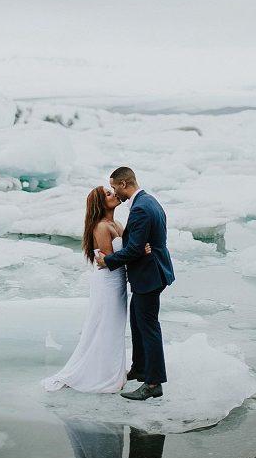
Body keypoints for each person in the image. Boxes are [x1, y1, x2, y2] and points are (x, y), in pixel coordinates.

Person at [41, 185, 151, 393]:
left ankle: (113, 372)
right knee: (106, 326)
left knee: (115, 327)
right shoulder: (101, 227)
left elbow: (124, 253)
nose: (114, 194)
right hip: (107, 283)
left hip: (118, 282)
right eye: (108, 194)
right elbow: (109, 261)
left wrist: (137, 251)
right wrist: (138, 253)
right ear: (100, 203)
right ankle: (103, 376)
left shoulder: (117, 223)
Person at [96, 167, 175, 401]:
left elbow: (132, 249)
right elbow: (140, 245)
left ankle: (153, 383)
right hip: (153, 269)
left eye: (113, 187)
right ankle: (140, 368)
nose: (113, 192)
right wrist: (141, 249)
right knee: (137, 322)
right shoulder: (149, 200)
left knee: (148, 327)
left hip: (150, 274)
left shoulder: (140, 207)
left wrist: (107, 260)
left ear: (123, 184)